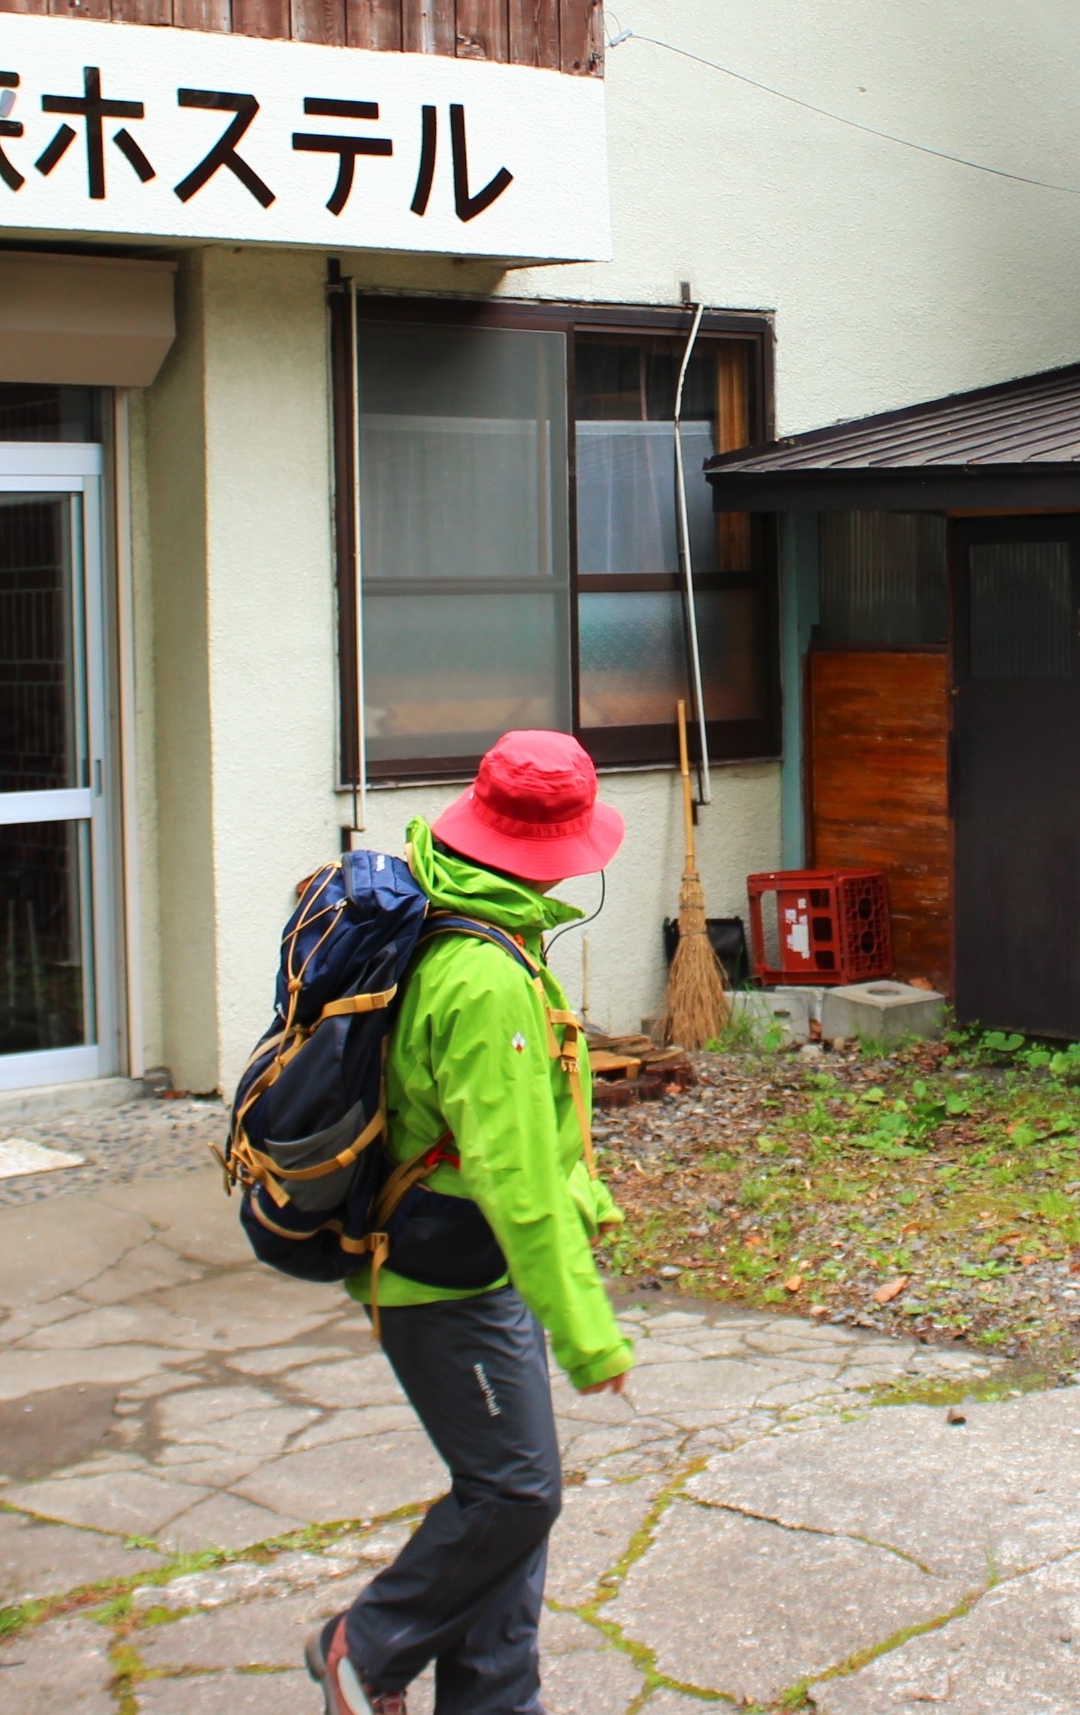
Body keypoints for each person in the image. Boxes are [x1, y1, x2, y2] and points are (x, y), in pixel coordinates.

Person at [311, 729, 637, 1715]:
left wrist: (589, 1204)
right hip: (446, 1276)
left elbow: (524, 1137)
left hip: (470, 1262)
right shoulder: (484, 977)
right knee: (515, 1495)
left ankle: (495, 1703)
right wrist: (589, 1334)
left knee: (510, 1510)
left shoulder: (467, 909)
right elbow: (514, 1180)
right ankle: (363, 1649)